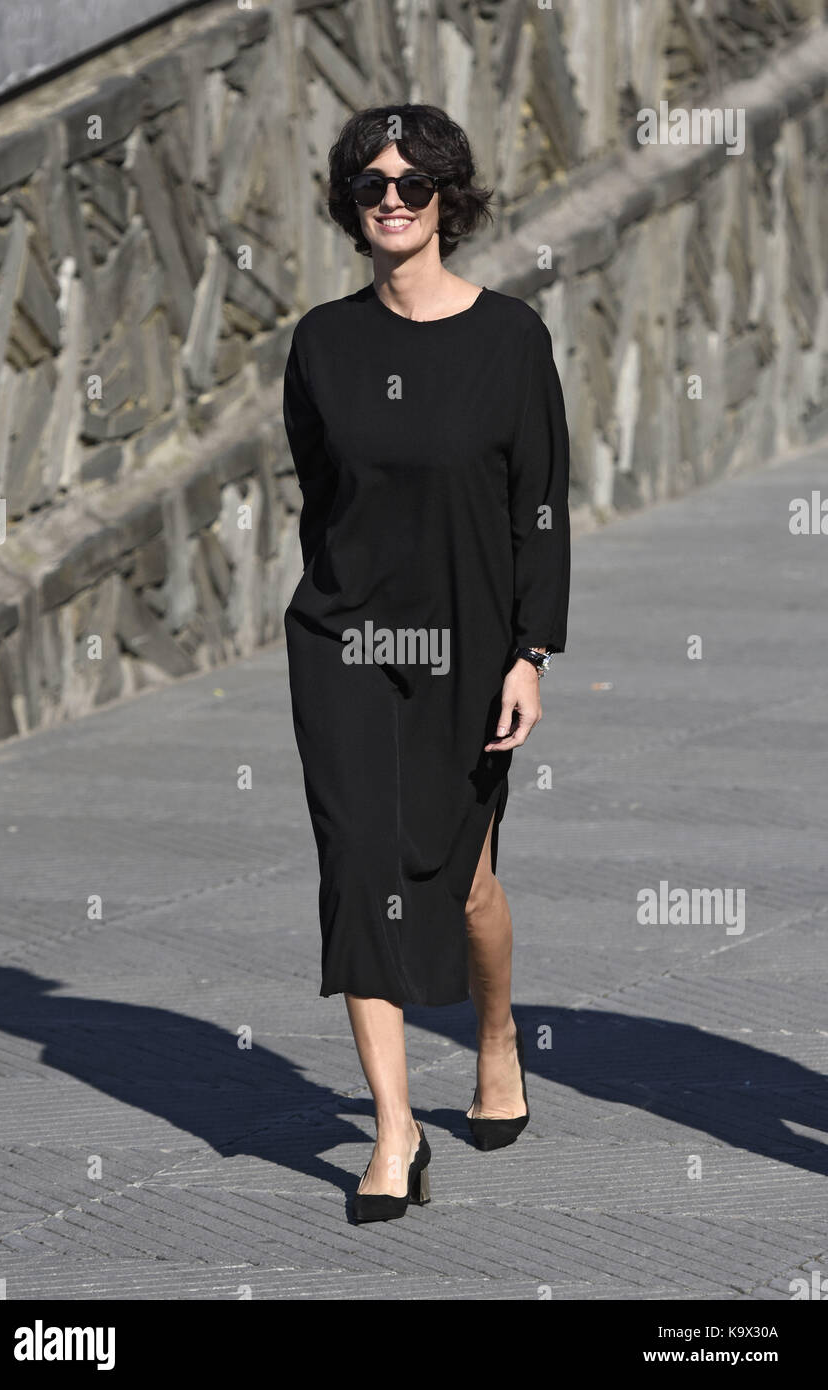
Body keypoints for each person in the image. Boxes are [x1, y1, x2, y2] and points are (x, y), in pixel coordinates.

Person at [282, 104, 570, 1223]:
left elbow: (537, 507)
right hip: (345, 643)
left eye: (412, 180)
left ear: (450, 195)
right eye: (370, 183)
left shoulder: (510, 339)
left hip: (469, 645)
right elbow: (325, 495)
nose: (391, 198)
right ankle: (394, 1129)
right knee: (359, 869)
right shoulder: (321, 341)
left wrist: (530, 652)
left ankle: (496, 1036)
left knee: (462, 887)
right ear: (350, 205)